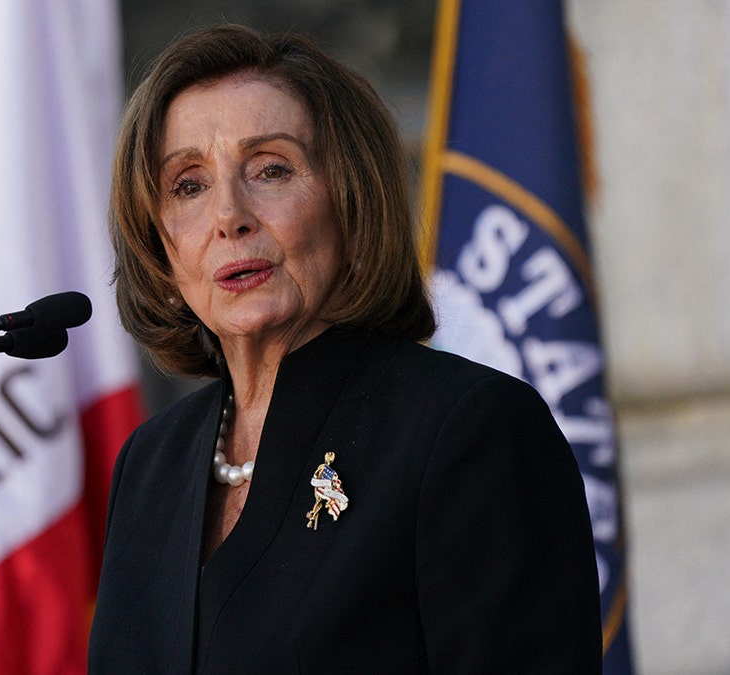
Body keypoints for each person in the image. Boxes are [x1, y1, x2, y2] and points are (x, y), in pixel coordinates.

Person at [88, 24, 602, 673]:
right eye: (187, 184)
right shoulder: (152, 462)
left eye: (270, 169)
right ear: (158, 243)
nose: (229, 214)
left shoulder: (472, 430)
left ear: (351, 201)